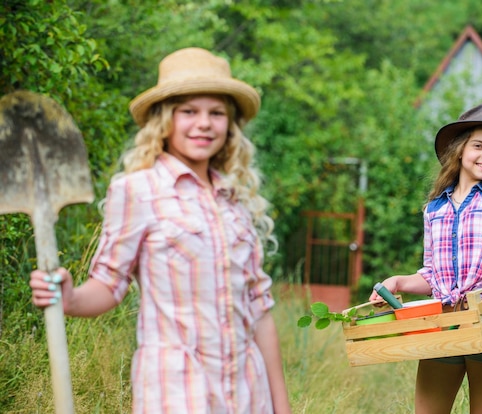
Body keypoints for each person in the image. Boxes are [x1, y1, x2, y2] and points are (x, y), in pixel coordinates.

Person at [30, 47, 292, 414]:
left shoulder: (235, 200)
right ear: (164, 120)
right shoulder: (138, 191)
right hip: (178, 391)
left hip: (246, 391)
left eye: (216, 113)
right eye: (189, 112)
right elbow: (108, 285)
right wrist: (69, 299)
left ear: (229, 125)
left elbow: (259, 311)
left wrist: (281, 407)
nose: (204, 124)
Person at [370, 102, 482, 414]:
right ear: (460, 150)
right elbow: (432, 274)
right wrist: (398, 282)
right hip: (443, 322)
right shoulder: (435, 209)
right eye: (478, 146)